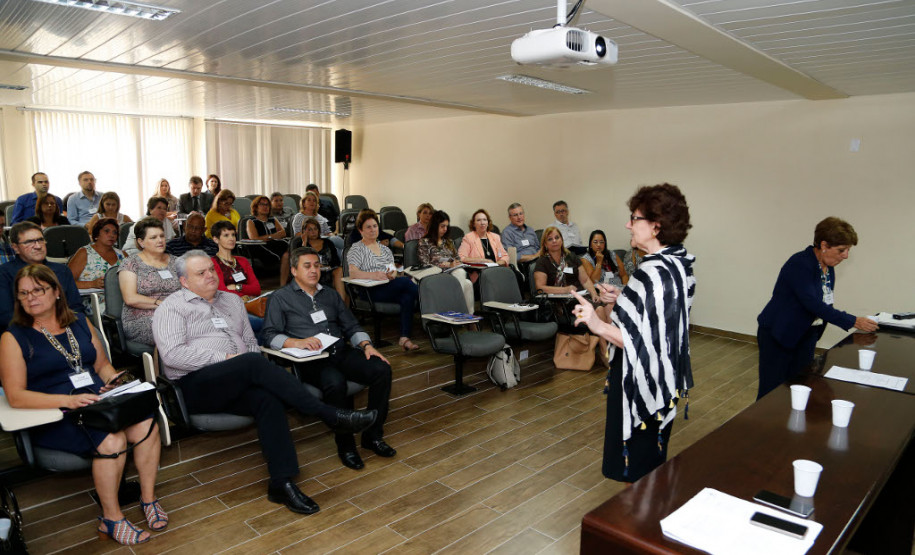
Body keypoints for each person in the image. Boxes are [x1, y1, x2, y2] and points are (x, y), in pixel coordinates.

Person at [152, 251, 377, 515]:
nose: (210, 275)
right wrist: (228, 359)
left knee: (267, 399)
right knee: (250, 362)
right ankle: (330, 414)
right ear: (184, 282)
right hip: (195, 385)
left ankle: (281, 483)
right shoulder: (171, 307)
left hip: (239, 378)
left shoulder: (233, 301)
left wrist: (243, 364)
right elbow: (173, 355)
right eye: (200, 273)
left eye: (211, 269)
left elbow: (250, 342)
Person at [0, 265, 165, 545]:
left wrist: (117, 382)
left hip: (96, 400)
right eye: (23, 294)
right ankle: (111, 519)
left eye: (38, 290)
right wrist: (69, 400)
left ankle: (148, 499)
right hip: (52, 412)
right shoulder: (13, 337)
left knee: (145, 421)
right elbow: (15, 395)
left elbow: (101, 365)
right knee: (112, 439)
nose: (30, 298)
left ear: (55, 292)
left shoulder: (78, 321)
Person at [571, 183, 695, 483]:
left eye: (635, 218)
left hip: (640, 380)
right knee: (651, 460)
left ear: (656, 226)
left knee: (637, 467)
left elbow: (641, 341)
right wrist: (622, 298)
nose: (628, 224)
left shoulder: (652, 273)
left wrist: (596, 323)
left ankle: (635, 520)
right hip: (664, 378)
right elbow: (654, 318)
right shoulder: (678, 264)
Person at [263, 246, 396, 470]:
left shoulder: (330, 294)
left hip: (339, 351)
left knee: (381, 369)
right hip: (311, 360)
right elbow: (268, 335)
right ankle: (346, 446)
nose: (314, 270)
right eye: (307, 266)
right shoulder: (280, 298)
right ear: (294, 270)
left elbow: (351, 325)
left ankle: (372, 436)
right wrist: (294, 342)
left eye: (317, 265)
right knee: (335, 383)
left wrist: (366, 345)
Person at [756, 217, 878, 400]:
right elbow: (812, 303)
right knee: (772, 391)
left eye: (847, 251)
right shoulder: (800, 263)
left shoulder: (828, 268)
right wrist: (853, 320)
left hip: (806, 334)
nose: (845, 256)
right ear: (824, 245)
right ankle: (763, 426)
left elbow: (826, 303)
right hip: (779, 334)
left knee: (800, 387)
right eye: (841, 250)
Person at [347, 211, 420, 351]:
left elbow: (392, 269)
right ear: (360, 230)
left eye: (375, 226)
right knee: (405, 282)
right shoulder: (357, 248)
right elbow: (353, 273)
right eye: (368, 227)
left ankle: (404, 338)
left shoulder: (385, 249)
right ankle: (430, 301)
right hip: (368, 290)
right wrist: (374, 275)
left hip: (387, 286)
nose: (373, 229)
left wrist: (391, 274)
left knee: (407, 296)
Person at [0, 222, 84, 330]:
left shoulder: (62, 271)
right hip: (24, 332)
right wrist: (44, 328)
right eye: (29, 242)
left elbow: (76, 308)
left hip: (65, 327)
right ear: (15, 248)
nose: (38, 246)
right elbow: (6, 317)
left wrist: (59, 326)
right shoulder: (4, 274)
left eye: (40, 240)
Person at [118, 218, 181, 347]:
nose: (160, 240)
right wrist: (162, 305)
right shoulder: (131, 263)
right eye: (153, 237)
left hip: (178, 313)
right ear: (141, 242)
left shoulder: (177, 262)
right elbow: (130, 298)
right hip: (142, 318)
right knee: (172, 329)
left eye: (162, 236)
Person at [211, 220, 263, 332]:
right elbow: (222, 292)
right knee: (261, 323)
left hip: (251, 304)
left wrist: (238, 287)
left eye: (233, 235)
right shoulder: (212, 263)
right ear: (216, 239)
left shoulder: (242, 261)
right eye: (226, 235)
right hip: (229, 308)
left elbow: (257, 289)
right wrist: (245, 295)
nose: (231, 238)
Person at [418, 210, 473, 313]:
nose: (445, 229)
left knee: (468, 283)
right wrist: (447, 265)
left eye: (447, 226)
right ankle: (456, 308)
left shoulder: (448, 242)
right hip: (435, 275)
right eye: (442, 226)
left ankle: (468, 316)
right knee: (461, 274)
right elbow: (425, 264)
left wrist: (457, 263)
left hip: (452, 274)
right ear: (435, 225)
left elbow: (457, 258)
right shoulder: (424, 241)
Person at [68, 218, 124, 312]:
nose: (111, 235)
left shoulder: (122, 255)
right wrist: (92, 284)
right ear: (97, 234)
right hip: (95, 303)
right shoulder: (84, 253)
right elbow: (67, 282)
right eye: (107, 231)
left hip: (122, 299)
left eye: (115, 233)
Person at [533, 226, 598, 299]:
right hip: (555, 301)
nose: (554, 241)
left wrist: (594, 293)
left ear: (561, 240)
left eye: (557, 237)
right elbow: (540, 288)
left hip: (577, 296)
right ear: (545, 244)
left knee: (600, 307)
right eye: (550, 239)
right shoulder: (542, 262)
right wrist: (565, 290)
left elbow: (585, 280)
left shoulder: (572, 257)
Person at [246, 195, 291, 285]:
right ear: (256, 207)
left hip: (276, 244)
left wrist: (270, 237)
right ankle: (283, 284)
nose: (265, 207)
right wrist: (272, 236)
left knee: (292, 248)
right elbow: (254, 238)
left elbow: (283, 233)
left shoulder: (273, 219)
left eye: (267, 205)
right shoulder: (251, 221)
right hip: (261, 247)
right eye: (262, 204)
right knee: (286, 254)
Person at [301, 217, 346, 305]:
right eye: (310, 230)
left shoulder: (328, 242)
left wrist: (327, 266)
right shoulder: (301, 244)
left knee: (339, 270)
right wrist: (304, 243)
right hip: (312, 274)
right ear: (304, 231)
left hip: (328, 272)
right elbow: (300, 261)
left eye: (315, 229)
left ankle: (342, 307)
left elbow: (336, 262)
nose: (313, 232)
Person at [457, 209, 509, 284]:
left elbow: (505, 256)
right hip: (480, 273)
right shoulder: (469, 238)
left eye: (485, 220)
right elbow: (461, 257)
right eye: (478, 220)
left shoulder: (495, 237)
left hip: (497, 270)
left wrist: (497, 264)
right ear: (474, 224)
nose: (482, 223)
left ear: (488, 222)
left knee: (516, 275)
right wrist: (483, 260)